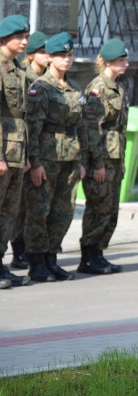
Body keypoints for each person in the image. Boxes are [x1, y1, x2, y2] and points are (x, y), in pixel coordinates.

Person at [24, 32, 87, 283]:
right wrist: (35, 163)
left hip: (69, 158)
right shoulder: (41, 88)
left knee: (63, 210)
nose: (66, 60)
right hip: (47, 157)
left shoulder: (73, 88)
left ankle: (52, 258)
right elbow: (33, 128)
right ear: (49, 57)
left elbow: (80, 126)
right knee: (40, 209)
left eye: (70, 55)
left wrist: (81, 161)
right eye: (61, 55)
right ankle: (36, 262)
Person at [78, 39, 130, 275]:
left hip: (115, 157)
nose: (126, 64)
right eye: (122, 60)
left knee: (110, 209)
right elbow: (91, 129)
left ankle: (98, 253)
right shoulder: (97, 89)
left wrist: (122, 162)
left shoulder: (118, 87)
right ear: (108, 62)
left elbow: (120, 128)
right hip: (101, 159)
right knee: (97, 207)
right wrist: (97, 164)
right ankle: (88, 257)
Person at [7, 30, 48, 273]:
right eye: (42, 51)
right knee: (18, 206)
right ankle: (18, 251)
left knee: (28, 205)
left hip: (35, 149)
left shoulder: (46, 79)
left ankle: (24, 251)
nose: (48, 56)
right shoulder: (27, 77)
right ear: (31, 55)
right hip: (19, 148)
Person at [0, 15, 32, 288]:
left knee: (9, 212)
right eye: (19, 37)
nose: (24, 42)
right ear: (4, 39)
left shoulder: (17, 68)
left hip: (17, 152)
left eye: (26, 37)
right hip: (3, 152)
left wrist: (25, 156)